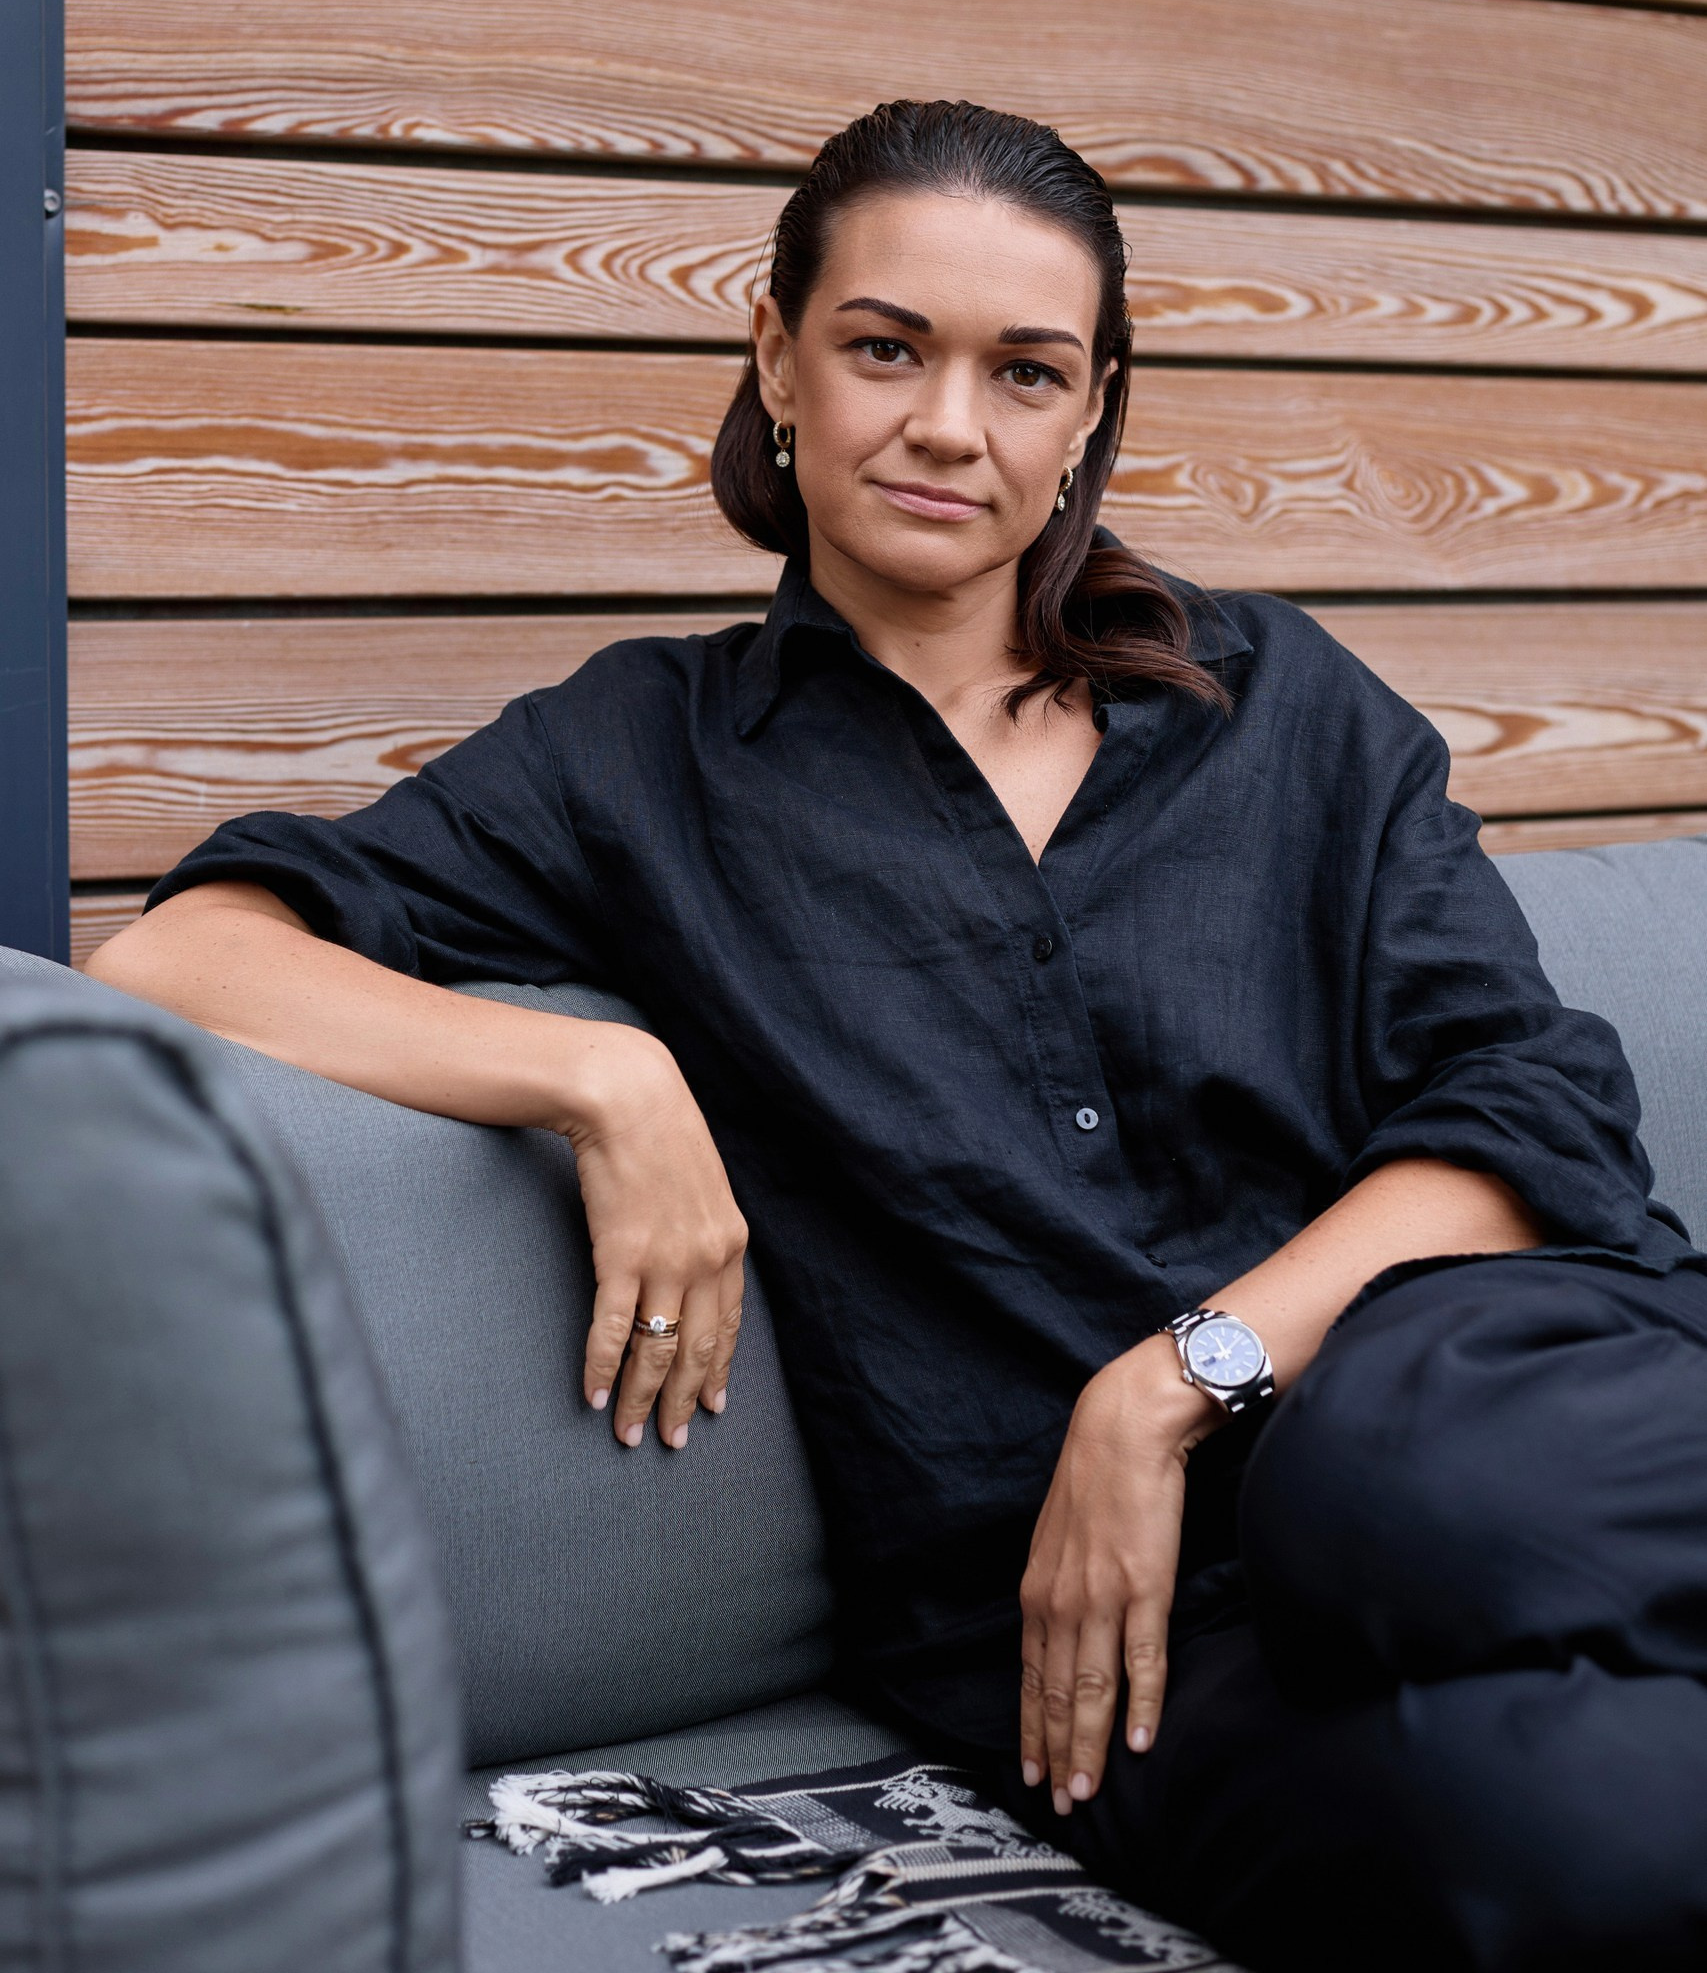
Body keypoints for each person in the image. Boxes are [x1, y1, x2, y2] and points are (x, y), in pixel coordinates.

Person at [91, 101, 1707, 1972]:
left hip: (1467, 1404)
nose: (951, 424)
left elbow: (1533, 1103)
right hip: (1101, 1645)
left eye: (1026, 371)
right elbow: (180, 956)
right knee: (1589, 1847)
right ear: (777, 359)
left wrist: (1172, 1384)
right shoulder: (643, 763)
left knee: (1398, 1495)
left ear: (1091, 413)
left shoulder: (1281, 705)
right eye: (885, 348)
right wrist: (602, 1077)